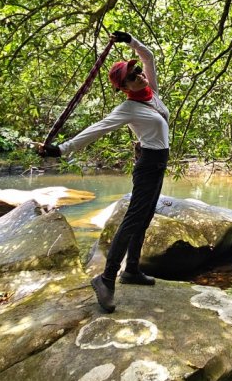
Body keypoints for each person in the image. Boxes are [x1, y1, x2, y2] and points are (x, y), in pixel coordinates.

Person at [37, 30, 170, 313]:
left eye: (138, 73)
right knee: (134, 218)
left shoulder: (151, 94)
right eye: (132, 77)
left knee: (145, 215)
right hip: (148, 164)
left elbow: (149, 57)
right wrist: (61, 150)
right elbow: (96, 130)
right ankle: (106, 278)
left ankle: (131, 270)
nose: (140, 76)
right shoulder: (128, 108)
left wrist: (131, 41)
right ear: (125, 87)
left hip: (159, 164)